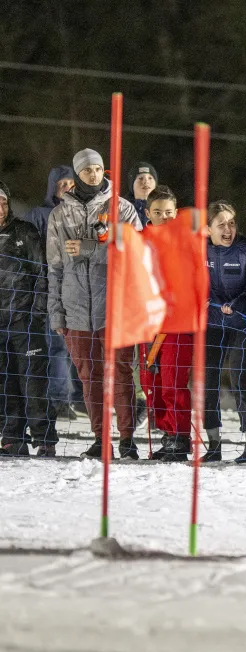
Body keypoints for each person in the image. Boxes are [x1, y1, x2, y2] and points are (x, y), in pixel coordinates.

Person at [46, 148, 142, 459]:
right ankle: (101, 438)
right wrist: (56, 313)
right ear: (77, 173)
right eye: (87, 170)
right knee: (89, 376)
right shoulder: (60, 214)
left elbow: (137, 254)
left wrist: (92, 249)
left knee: (121, 372)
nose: (94, 174)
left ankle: (127, 438)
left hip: (116, 308)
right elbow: (55, 267)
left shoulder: (122, 208)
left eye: (99, 169)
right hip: (76, 310)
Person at [203, 201, 246, 464]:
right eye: (221, 224)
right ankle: (213, 442)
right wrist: (208, 299)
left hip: (240, 322)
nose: (228, 229)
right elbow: (195, 280)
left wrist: (238, 304)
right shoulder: (201, 251)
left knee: (242, 378)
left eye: (231, 223)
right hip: (212, 323)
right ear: (208, 229)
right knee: (208, 380)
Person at [0, 181, 57, 456]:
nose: (0, 209)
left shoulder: (25, 232)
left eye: (2, 202)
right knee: (6, 382)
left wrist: (37, 313)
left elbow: (42, 273)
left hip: (25, 321)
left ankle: (45, 438)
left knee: (33, 381)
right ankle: (12, 436)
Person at [139, 186, 194, 461]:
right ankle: (166, 432)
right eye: (158, 213)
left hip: (177, 322)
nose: (164, 218)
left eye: (169, 213)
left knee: (173, 379)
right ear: (148, 213)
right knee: (150, 378)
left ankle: (180, 436)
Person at [27, 166, 80, 419]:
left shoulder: (81, 214)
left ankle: (72, 397)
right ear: (53, 187)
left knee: (71, 347)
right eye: (63, 184)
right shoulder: (40, 215)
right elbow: (30, 250)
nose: (68, 188)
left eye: (72, 183)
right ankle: (55, 399)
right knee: (51, 345)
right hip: (47, 288)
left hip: (77, 290)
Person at [127, 161, 158, 227]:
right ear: (132, 184)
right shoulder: (124, 209)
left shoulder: (166, 207)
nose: (146, 181)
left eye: (150, 178)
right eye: (140, 178)